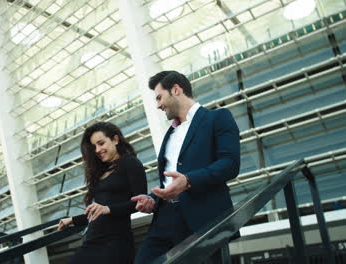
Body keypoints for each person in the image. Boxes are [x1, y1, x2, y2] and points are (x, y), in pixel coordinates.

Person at [132, 70, 240, 263]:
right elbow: (169, 182)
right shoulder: (170, 134)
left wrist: (189, 181)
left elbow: (230, 164)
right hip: (164, 219)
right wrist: (152, 199)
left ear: (176, 90)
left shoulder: (218, 118)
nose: (157, 105)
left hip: (202, 218)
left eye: (159, 98)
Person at [57, 122, 148, 264]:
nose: (97, 150)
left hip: (115, 244)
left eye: (101, 143)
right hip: (92, 241)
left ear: (115, 140)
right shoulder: (100, 172)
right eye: (94, 147)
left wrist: (107, 209)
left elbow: (140, 203)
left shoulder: (131, 163)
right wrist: (73, 220)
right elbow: (100, 212)